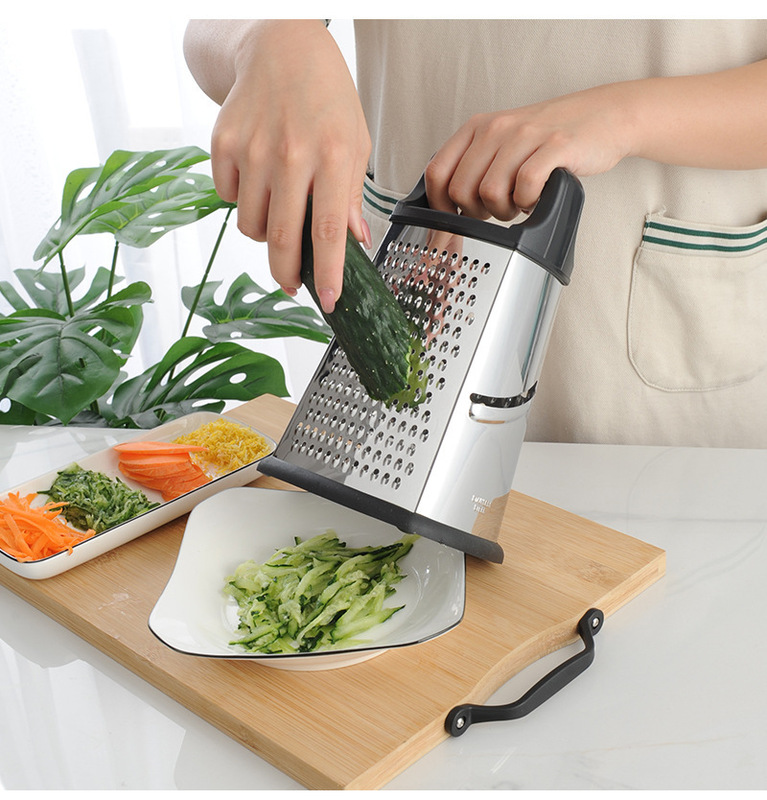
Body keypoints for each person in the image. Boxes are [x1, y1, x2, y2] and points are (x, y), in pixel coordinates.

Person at [183, 19, 767, 448]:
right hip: (423, 300)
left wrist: (620, 117)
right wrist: (267, 37)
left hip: (665, 389)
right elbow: (211, 25)